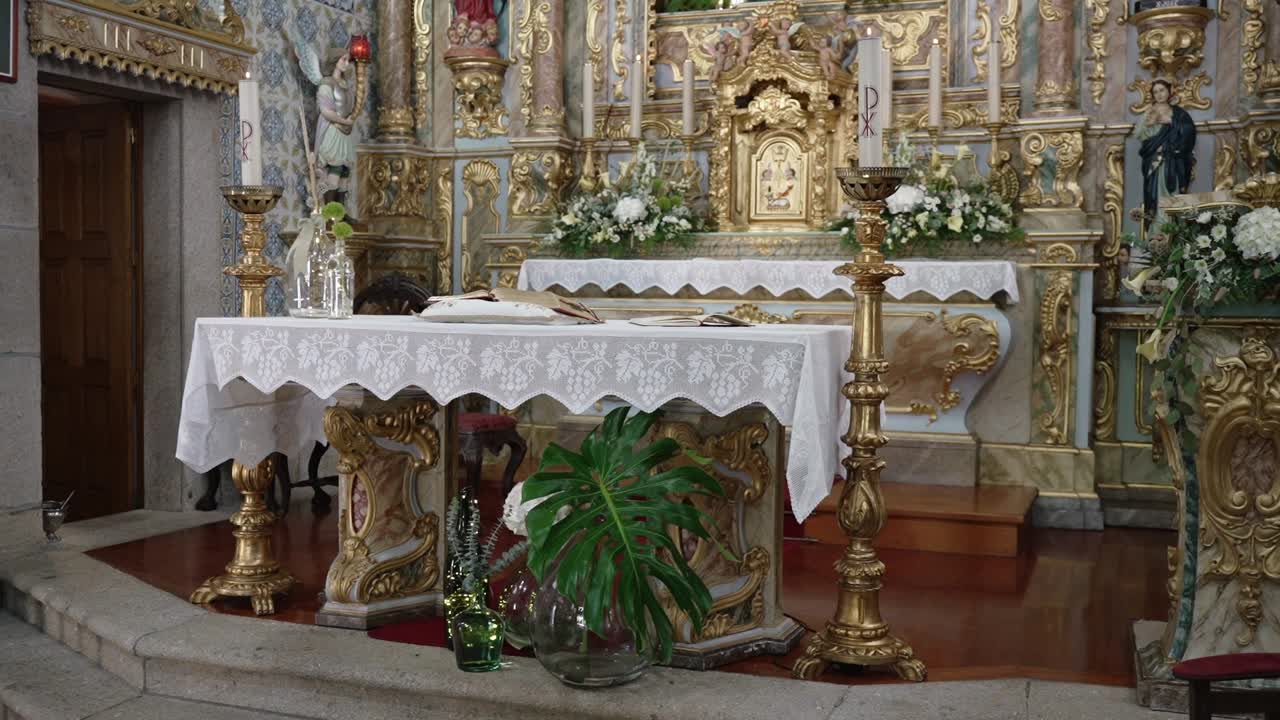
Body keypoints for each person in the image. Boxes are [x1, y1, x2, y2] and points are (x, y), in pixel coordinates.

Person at [1135, 79, 1196, 234]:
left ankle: (1173, 233)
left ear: (1169, 91)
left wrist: (1171, 121)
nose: (1159, 94)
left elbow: (1189, 131)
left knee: (1173, 194)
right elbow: (1141, 135)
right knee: (1155, 196)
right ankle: (1157, 233)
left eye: (1162, 90)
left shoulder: (1178, 113)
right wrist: (1150, 126)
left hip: (1174, 162)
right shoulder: (1149, 112)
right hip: (1154, 161)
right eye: (1155, 92)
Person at [314, 49, 357, 208]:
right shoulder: (326, 83)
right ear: (335, 61)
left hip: (345, 134)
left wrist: (350, 119)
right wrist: (345, 122)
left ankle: (341, 213)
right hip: (332, 131)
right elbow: (326, 112)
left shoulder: (345, 85)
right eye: (343, 60)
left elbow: (349, 108)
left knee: (345, 171)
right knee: (335, 168)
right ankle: (330, 212)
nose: (346, 63)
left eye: (347, 60)